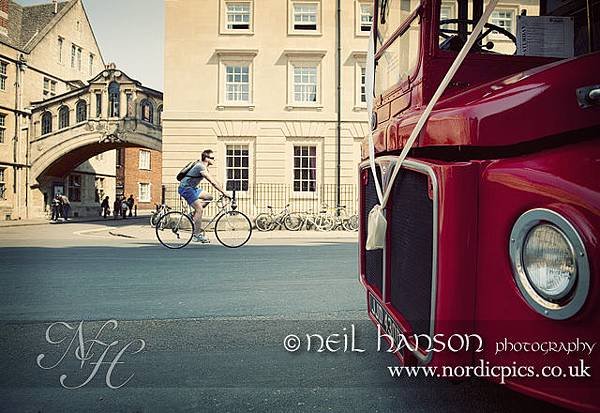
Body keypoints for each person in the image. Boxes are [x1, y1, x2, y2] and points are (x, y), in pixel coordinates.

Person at [178, 149, 229, 243]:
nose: (214, 160)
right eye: (212, 158)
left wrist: (222, 190)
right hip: (186, 188)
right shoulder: (200, 166)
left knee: (209, 197)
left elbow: (213, 179)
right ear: (206, 158)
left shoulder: (203, 167)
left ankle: (193, 215)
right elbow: (212, 182)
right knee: (200, 209)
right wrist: (224, 192)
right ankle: (196, 235)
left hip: (192, 188)